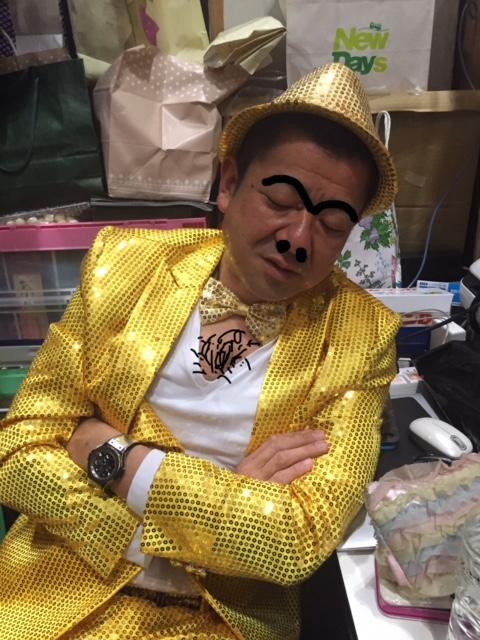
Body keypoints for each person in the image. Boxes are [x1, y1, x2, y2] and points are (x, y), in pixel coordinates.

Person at [0, 63, 401, 640]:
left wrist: (114, 458)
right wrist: (221, 506)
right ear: (229, 183)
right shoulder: (125, 264)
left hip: (218, 619)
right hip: (58, 587)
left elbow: (296, 540)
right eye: (281, 198)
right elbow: (18, 447)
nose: (298, 239)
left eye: (333, 223)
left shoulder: (363, 334)